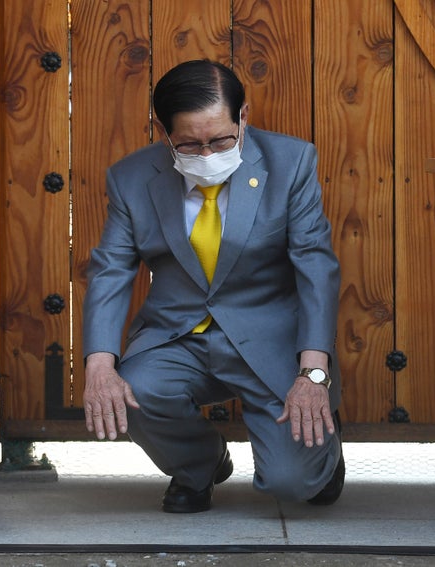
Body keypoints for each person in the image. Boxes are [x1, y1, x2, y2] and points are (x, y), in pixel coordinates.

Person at [82, 59, 344, 513]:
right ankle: (200, 465)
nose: (206, 155)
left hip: (270, 338)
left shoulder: (291, 161)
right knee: (132, 390)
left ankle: (321, 457)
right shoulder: (130, 177)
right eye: (189, 143)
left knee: (292, 483)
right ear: (164, 132)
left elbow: (315, 266)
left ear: (243, 116)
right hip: (177, 335)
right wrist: (99, 365)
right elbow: (111, 270)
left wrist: (313, 373)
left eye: (220, 139)